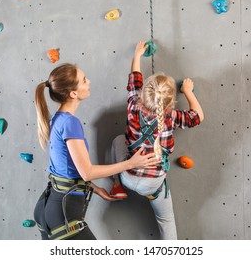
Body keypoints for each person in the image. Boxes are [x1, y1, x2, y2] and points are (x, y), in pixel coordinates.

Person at [33, 63, 160, 240]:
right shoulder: (70, 123)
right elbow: (87, 172)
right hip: (64, 215)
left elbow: (68, 168)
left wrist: (95, 188)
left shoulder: (58, 118)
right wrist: (131, 163)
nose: (89, 81)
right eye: (84, 80)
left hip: (49, 207)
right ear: (73, 93)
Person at [110, 41, 204, 240]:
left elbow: (134, 80)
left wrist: (137, 55)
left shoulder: (133, 105)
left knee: (119, 140)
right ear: (171, 102)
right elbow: (197, 116)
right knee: (166, 219)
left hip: (127, 174)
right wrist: (187, 91)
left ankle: (116, 183)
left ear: (144, 93)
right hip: (152, 184)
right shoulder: (172, 117)